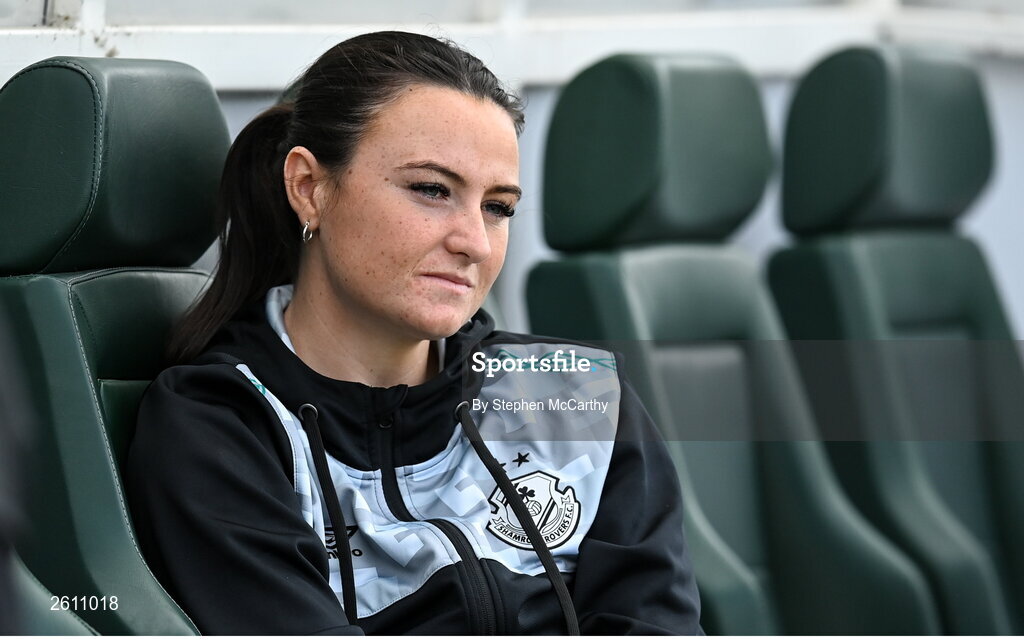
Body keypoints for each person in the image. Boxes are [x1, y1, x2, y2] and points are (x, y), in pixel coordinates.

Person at [126, 31, 702, 635]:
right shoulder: (222, 425)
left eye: (498, 207)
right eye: (431, 190)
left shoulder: (578, 402)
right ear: (309, 188)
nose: (474, 243)